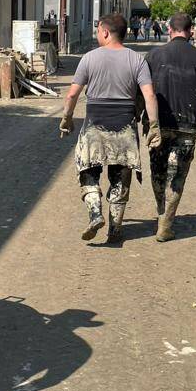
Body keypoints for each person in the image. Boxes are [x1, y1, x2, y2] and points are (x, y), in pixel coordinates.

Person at [59, 13, 160, 243]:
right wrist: (154, 126)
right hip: (125, 126)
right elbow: (149, 95)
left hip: (95, 125)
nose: (97, 35)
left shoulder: (89, 58)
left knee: (88, 171)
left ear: (105, 32)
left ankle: (95, 213)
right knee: (120, 178)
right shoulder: (137, 60)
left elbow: (73, 93)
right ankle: (115, 228)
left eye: (98, 31)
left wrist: (67, 117)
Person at [144, 12, 196, 241]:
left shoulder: (153, 56)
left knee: (158, 171)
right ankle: (166, 224)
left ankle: (160, 212)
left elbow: (141, 91)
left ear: (169, 29)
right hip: (188, 126)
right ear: (191, 30)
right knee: (177, 176)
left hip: (158, 125)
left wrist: (140, 116)